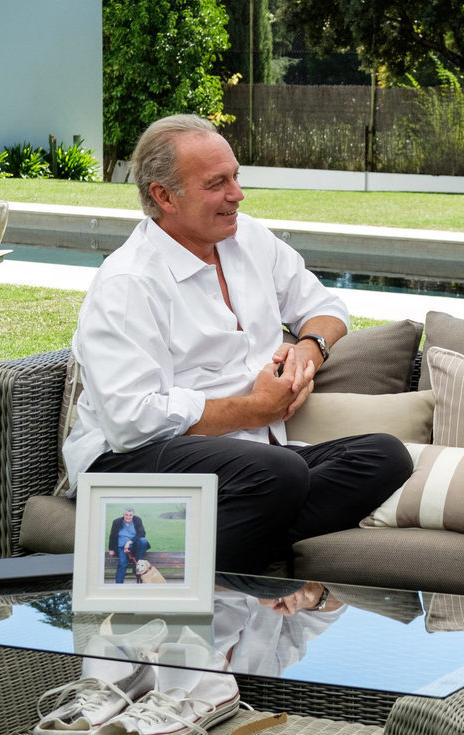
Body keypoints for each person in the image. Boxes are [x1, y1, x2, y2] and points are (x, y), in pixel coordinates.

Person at [63, 114, 413, 575]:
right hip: (131, 459)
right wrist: (258, 408)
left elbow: (326, 307)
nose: (237, 194)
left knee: (384, 456)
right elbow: (133, 423)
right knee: (279, 473)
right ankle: (239, 558)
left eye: (236, 176)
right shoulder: (129, 283)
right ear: (163, 196)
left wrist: (310, 349)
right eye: (216, 183)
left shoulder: (247, 237)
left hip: (249, 463)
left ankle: (227, 557)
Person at [107, 507, 150, 584]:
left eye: (130, 515)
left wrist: (130, 542)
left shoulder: (137, 520)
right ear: (123, 514)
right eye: (126, 515)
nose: (128, 517)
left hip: (134, 546)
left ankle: (136, 563)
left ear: (133, 515)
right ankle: (118, 585)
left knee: (143, 541)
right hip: (121, 547)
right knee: (122, 563)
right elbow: (112, 535)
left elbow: (142, 533)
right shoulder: (117, 522)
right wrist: (111, 549)